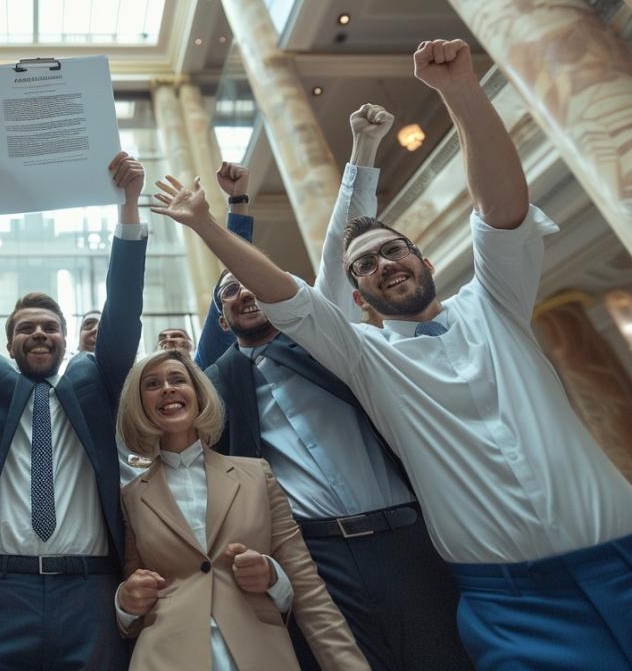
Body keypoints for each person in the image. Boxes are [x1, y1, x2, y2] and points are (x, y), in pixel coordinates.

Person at [152, 39, 632, 670]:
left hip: (621, 557)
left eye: (393, 251)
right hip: (508, 602)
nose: (383, 265)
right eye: (365, 266)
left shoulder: (495, 304)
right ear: (358, 296)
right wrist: (211, 225)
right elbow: (289, 293)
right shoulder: (365, 357)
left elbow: (501, 212)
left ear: (424, 259)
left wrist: (459, 91)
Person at [198, 114, 470, 670]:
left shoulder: (332, 344)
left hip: (404, 535)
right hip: (314, 557)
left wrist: (363, 150)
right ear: (220, 319)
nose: (245, 292)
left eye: (252, 281)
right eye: (229, 292)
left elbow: (335, 254)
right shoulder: (219, 385)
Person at [0, 152, 147, 670]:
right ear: (8, 344)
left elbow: (123, 307)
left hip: (91, 589)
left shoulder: (96, 379)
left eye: (50, 327)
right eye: (25, 328)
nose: (38, 333)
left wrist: (129, 207)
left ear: (66, 338)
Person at [114, 349, 368, 671]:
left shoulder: (256, 474)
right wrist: (125, 602)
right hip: (164, 656)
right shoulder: (132, 496)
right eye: (152, 384)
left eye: (178, 379)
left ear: (199, 393)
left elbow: (307, 588)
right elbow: (133, 598)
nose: (167, 388)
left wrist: (273, 577)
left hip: (261, 651)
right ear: (140, 406)